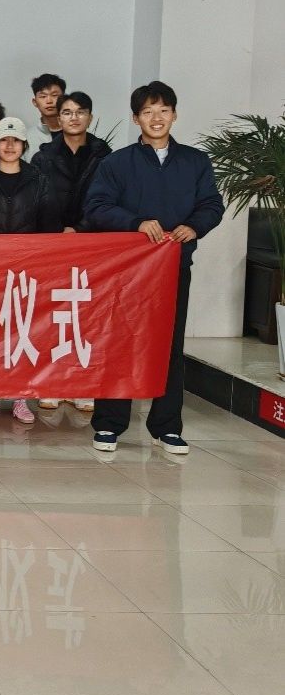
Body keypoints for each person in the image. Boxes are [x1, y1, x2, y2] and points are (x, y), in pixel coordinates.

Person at [85, 80, 224, 456]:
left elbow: (212, 204)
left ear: (174, 115)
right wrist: (135, 222)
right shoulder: (117, 163)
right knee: (120, 342)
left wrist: (194, 226)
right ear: (136, 119)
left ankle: (167, 427)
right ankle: (109, 423)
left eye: (163, 110)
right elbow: (96, 207)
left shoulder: (195, 162)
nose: (156, 117)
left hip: (173, 268)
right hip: (127, 271)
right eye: (148, 111)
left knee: (169, 346)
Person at [0, 117, 62, 424]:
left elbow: (49, 227)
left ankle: (21, 397)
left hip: (27, 271)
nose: (9, 146)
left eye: (15, 140)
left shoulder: (39, 180)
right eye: (4, 140)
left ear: (24, 145)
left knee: (23, 334)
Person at [31, 90, 112, 412]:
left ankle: (83, 384)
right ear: (58, 118)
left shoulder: (105, 155)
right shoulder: (43, 157)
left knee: (87, 315)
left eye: (80, 112)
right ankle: (52, 383)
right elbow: (38, 200)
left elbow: (108, 200)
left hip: (92, 243)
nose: (73, 117)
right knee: (52, 314)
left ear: (90, 116)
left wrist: (79, 229)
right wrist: (58, 231)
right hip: (53, 246)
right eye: (67, 112)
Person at [31, 73, 67, 145]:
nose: (49, 101)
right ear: (35, 102)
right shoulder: (27, 138)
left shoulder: (81, 133)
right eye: (43, 96)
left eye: (54, 95)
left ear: (64, 99)